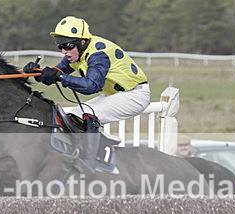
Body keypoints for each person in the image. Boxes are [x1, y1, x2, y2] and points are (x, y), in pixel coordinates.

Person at [24, 16, 150, 173]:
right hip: (117, 94)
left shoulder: (98, 55)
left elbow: (91, 86)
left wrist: (59, 77)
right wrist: (38, 72)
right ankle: (92, 148)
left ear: (82, 41)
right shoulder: (78, 51)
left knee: (85, 113)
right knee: (72, 113)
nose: (64, 51)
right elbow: (57, 73)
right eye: (60, 46)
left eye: (67, 46)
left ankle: (88, 163)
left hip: (135, 96)